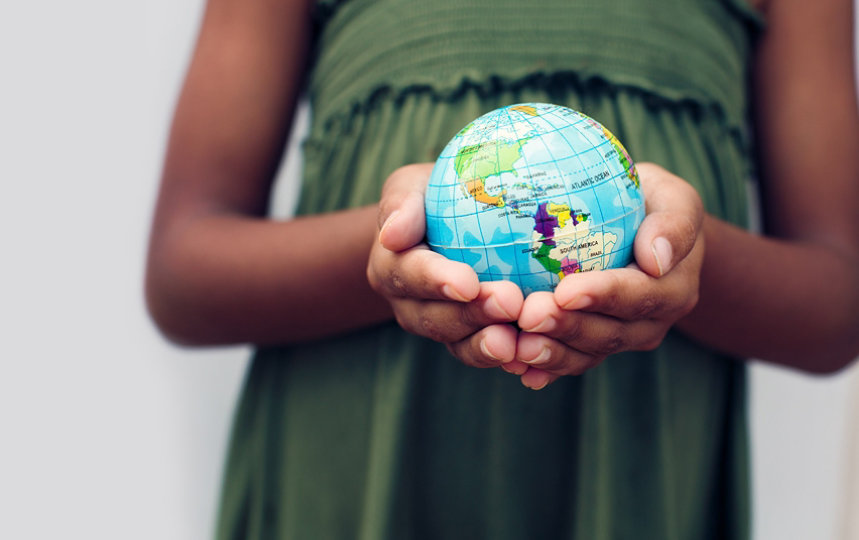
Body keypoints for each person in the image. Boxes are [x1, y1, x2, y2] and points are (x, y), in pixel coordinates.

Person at [145, 0, 859, 538]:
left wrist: (673, 255)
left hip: (637, 485)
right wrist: (402, 245)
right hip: (348, 473)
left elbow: (837, 309)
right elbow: (184, 272)